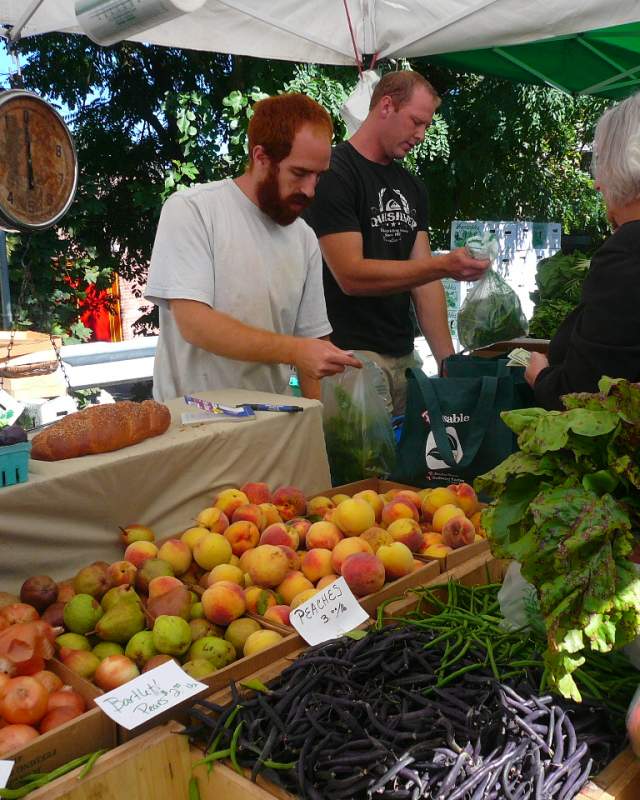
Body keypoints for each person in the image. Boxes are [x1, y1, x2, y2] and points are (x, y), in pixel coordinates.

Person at [144, 93, 360, 403]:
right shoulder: (192, 210)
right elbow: (195, 324)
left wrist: (317, 426)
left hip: (274, 426)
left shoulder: (304, 237)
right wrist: (296, 351)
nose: (311, 190)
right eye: (299, 173)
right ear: (261, 157)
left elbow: (314, 341)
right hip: (193, 428)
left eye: (318, 176)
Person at [305, 70, 489, 416]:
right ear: (386, 106)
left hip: (403, 356)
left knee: (408, 467)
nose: (420, 135)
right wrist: (444, 264)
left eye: (426, 126)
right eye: (416, 122)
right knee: (361, 468)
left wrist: (447, 361)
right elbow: (351, 275)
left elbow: (425, 283)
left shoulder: (412, 187)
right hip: (349, 357)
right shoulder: (334, 172)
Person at [525, 91, 640, 409]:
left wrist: (541, 377)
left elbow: (586, 391)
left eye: (601, 162)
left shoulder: (626, 253)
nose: (596, 184)